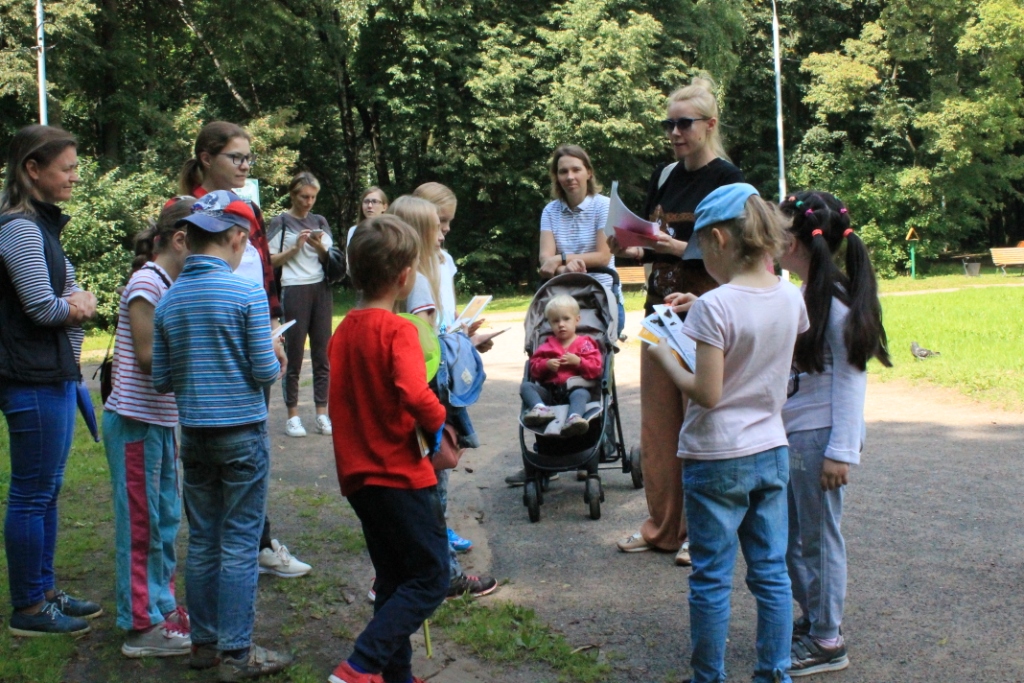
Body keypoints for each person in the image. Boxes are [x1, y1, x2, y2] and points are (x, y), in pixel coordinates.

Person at [649, 183, 806, 683]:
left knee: (712, 579)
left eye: (701, 252)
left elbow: (707, 393)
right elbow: (758, 334)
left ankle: (707, 677)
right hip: (771, 448)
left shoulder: (717, 308)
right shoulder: (788, 295)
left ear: (719, 239)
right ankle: (773, 673)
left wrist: (667, 358)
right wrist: (703, 306)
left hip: (716, 455)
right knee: (770, 573)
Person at [152, 190, 293, 680]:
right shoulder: (246, 294)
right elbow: (261, 370)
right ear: (236, 239)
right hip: (241, 435)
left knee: (205, 539)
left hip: (194, 436)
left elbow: (162, 379)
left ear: (188, 241)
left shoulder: (168, 299)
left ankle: (203, 645)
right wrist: (278, 358)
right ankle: (238, 652)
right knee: (239, 541)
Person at [610, 77, 744, 566]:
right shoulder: (665, 176)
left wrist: (681, 247)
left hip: (706, 311)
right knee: (659, 428)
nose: (674, 132)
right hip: (658, 313)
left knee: (702, 427)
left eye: (684, 123)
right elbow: (650, 235)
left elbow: (741, 247)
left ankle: (703, 535)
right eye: (669, 123)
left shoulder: (729, 179)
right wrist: (628, 243)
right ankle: (663, 528)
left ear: (709, 125)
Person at [179, 120, 311, 579]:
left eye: (247, 158)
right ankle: (234, 549)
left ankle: (254, 542)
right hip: (214, 354)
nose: (244, 165)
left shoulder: (248, 207)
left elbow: (263, 274)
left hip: (255, 340)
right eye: (236, 157)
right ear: (206, 158)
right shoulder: (186, 211)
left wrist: (273, 331)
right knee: (223, 454)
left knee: (248, 452)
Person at [327, 215, 449, 683]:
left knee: (394, 577)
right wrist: (437, 422)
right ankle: (362, 665)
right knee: (431, 577)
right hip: (400, 475)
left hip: (359, 479)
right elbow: (415, 394)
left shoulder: (343, 331)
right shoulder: (398, 330)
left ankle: (397, 676)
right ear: (404, 278)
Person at [778, 192, 891, 676]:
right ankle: (815, 619)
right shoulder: (805, 293)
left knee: (818, 540)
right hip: (796, 435)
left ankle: (828, 639)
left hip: (819, 441)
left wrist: (841, 451)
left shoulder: (837, 304)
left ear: (794, 241)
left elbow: (850, 380)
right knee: (792, 539)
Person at [0, 124, 103, 637]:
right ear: (32, 170)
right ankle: (28, 607)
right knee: (31, 493)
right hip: (30, 377)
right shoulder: (19, 228)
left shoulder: (40, 226)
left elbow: (68, 290)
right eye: (66, 168)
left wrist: (76, 300)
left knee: (47, 491)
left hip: (52, 375)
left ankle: (44, 591)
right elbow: (44, 305)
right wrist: (77, 305)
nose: (74, 177)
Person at [387, 195, 498, 598]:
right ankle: (443, 575)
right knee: (435, 487)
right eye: (438, 225)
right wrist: (463, 342)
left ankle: (411, 571)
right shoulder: (417, 281)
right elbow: (424, 346)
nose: (444, 232)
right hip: (429, 398)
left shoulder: (403, 276)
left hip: (410, 397)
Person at [103, 198, 193, 657]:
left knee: (165, 520)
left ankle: (162, 606)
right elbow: (146, 356)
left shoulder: (170, 283)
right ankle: (141, 626)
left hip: (160, 422)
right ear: (181, 240)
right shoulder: (148, 283)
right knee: (142, 525)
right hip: (136, 423)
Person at [268, 172, 333, 439]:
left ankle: (321, 412)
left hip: (321, 288)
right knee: (293, 354)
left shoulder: (319, 220)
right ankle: (292, 415)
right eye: (304, 196)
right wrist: (295, 249)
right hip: (294, 288)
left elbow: (330, 256)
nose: (309, 202)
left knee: (322, 353)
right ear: (293, 194)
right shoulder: (280, 221)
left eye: (313, 197)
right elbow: (269, 262)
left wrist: (318, 247)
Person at [537, 145, 624, 335]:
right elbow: (545, 259)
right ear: (557, 177)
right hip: (562, 300)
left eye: (576, 169)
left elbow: (603, 257)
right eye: (563, 172)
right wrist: (564, 269)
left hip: (600, 296)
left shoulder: (604, 206)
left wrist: (559, 259)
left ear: (589, 173)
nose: (570, 177)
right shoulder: (550, 211)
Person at [520, 295, 602, 437]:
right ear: (550, 324)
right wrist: (545, 365)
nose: (561, 324)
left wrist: (579, 362)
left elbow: (596, 368)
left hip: (576, 389)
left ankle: (574, 418)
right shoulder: (546, 346)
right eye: (555, 321)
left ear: (577, 320)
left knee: (581, 394)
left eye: (566, 319)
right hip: (550, 393)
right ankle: (540, 409)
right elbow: (534, 369)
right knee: (526, 386)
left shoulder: (585, 344)